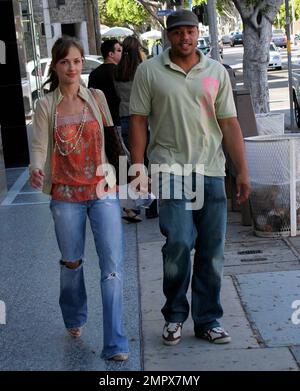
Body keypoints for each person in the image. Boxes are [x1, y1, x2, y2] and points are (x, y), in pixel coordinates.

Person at [129, 10, 251, 346]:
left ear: (198, 34)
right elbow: (138, 121)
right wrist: (137, 167)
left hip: (211, 169)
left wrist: (242, 171)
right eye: (179, 32)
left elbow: (229, 123)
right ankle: (174, 315)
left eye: (191, 32)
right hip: (170, 169)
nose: (186, 38)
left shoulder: (215, 72)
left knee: (212, 250)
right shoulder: (149, 72)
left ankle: (208, 319)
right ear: (168, 36)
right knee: (180, 242)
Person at [29, 36, 129, 361]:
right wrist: (34, 167)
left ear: (81, 63)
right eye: (64, 62)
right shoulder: (46, 105)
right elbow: (40, 146)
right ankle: (74, 315)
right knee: (72, 263)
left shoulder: (97, 98)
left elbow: (113, 138)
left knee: (111, 267)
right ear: (55, 67)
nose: (71, 67)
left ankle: (115, 343)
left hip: (103, 191)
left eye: (76, 61)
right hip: (66, 195)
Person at [114, 36, 147, 223]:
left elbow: (119, 94)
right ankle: (152, 206)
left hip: (124, 117)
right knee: (149, 163)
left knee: (130, 165)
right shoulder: (142, 70)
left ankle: (128, 206)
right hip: (142, 119)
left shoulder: (118, 71)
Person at [88, 39, 122, 126]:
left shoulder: (94, 73)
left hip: (99, 118)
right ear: (111, 54)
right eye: (118, 50)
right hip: (117, 117)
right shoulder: (118, 72)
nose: (121, 52)